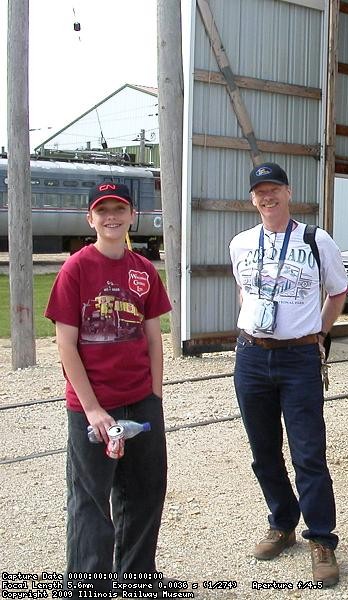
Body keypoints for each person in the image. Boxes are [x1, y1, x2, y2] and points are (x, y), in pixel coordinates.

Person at [45, 182, 172, 592]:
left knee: (144, 492)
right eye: (103, 211)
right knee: (90, 500)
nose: (112, 217)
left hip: (141, 400)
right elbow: (65, 344)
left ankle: (136, 577)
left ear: (132, 215)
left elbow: (154, 338)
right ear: (91, 219)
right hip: (92, 405)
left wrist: (154, 394)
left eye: (119, 209)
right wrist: (94, 409)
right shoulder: (76, 268)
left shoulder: (144, 270)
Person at [230, 162, 348, 587]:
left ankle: (321, 539)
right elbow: (244, 289)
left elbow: (339, 292)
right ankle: (282, 523)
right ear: (252, 198)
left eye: (274, 189)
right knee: (263, 450)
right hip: (251, 356)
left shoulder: (316, 240)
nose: (267, 197)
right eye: (260, 191)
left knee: (308, 452)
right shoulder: (241, 243)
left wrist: (318, 331)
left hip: (298, 358)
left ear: (288, 192)